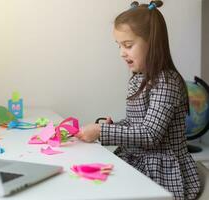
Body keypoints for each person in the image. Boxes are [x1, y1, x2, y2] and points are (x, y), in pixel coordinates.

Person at [76, 1, 201, 199]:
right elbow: (138, 124)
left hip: (162, 170)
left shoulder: (166, 82)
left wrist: (102, 131)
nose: (121, 53)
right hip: (139, 159)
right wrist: (113, 126)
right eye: (118, 46)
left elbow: (150, 134)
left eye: (128, 45)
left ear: (152, 43)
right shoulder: (138, 79)